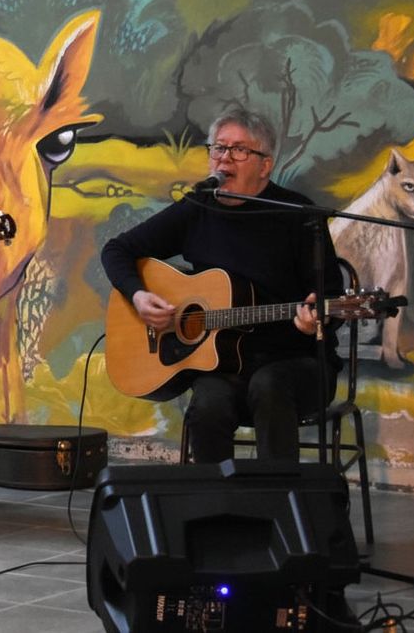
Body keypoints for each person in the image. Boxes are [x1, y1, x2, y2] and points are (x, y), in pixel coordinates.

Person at [101, 108, 341, 464]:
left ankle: (280, 505)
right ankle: (215, 508)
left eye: (239, 150)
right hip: (224, 366)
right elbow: (117, 249)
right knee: (208, 402)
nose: (224, 158)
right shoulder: (198, 208)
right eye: (218, 149)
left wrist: (316, 319)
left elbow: (329, 296)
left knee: (268, 386)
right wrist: (138, 295)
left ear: (264, 165)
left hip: (295, 363)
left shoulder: (298, 215)